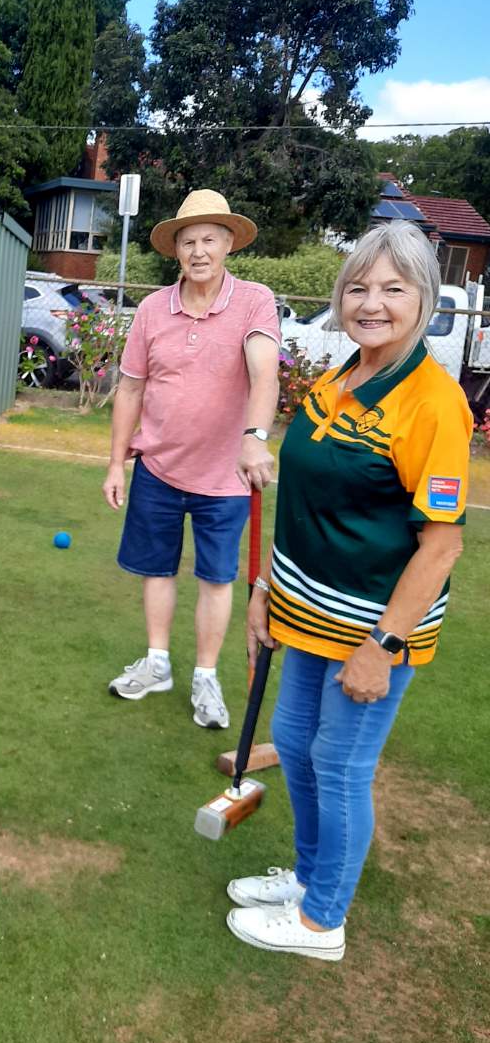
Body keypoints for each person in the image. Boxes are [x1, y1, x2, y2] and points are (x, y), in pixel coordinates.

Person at [228, 222, 471, 961]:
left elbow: (442, 545)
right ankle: (308, 879)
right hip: (306, 609)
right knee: (296, 746)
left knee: (339, 766)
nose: (372, 303)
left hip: (371, 626)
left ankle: (322, 921)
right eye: (358, 287)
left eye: (394, 288)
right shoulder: (343, 377)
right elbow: (308, 503)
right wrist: (266, 588)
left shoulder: (435, 403)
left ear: (425, 299)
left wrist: (383, 646)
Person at [103, 189, 280, 730]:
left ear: (228, 244)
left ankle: (206, 677)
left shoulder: (254, 300)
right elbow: (131, 389)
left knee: (216, 579)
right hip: (157, 468)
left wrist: (255, 436)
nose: (198, 251)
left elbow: (264, 371)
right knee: (155, 570)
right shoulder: (153, 309)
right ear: (175, 250)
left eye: (209, 240)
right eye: (188, 242)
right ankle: (157, 663)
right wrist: (115, 463)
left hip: (225, 478)